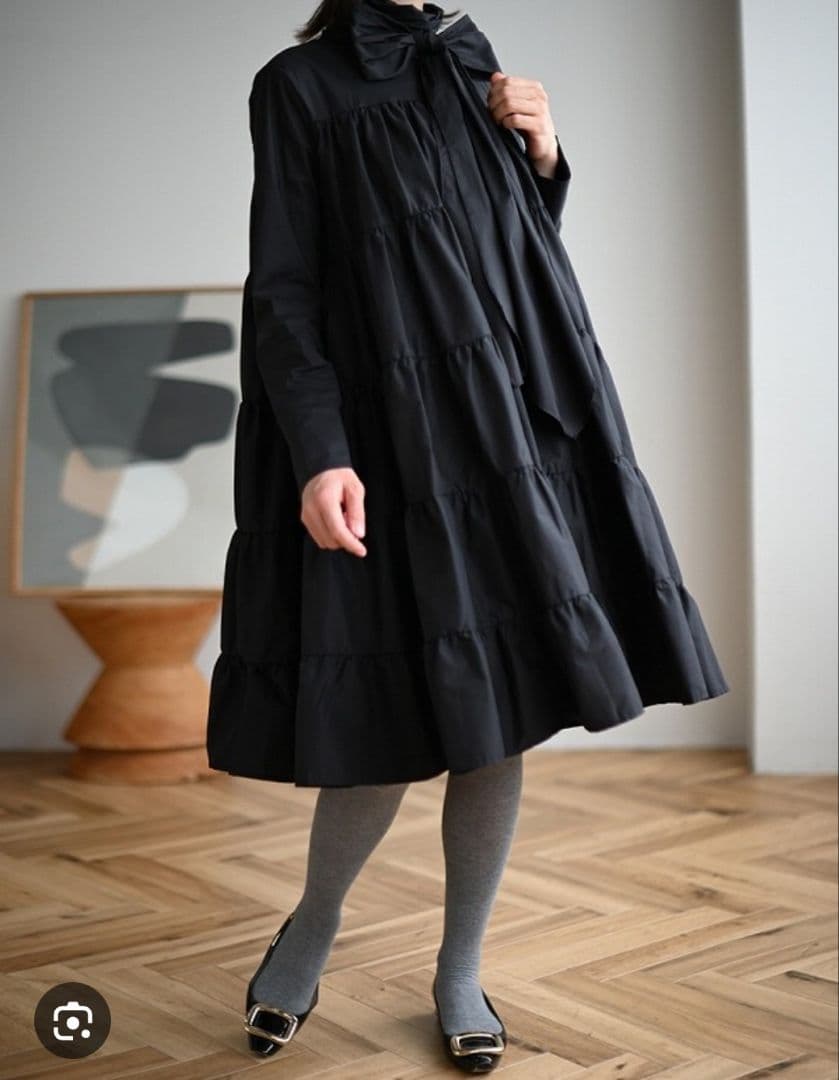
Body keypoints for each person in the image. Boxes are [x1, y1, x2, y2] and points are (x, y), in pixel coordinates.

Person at [207, 0, 730, 1069]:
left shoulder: (467, 60)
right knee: (387, 706)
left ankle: (459, 970)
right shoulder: (297, 87)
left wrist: (542, 157)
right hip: (386, 436)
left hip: (509, 425)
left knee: (499, 705)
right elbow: (284, 286)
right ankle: (311, 930)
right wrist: (319, 451)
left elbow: (504, 254)